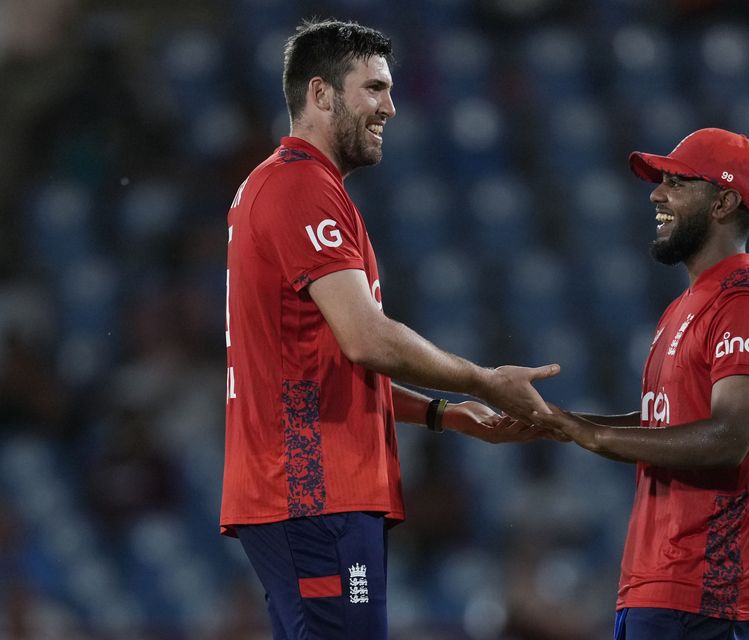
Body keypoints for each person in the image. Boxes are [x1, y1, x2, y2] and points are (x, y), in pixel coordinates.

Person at [221, 18, 559, 640]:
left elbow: (316, 361)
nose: (391, 107)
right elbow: (367, 340)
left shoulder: (290, 186)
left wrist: (443, 414)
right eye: (373, 89)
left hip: (311, 493)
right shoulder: (300, 188)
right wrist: (484, 382)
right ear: (320, 94)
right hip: (314, 492)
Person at [532, 128, 749, 640]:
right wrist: (557, 424)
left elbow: (727, 439)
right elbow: (667, 423)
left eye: (677, 182)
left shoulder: (745, 307)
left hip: (705, 588)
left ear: (724, 202)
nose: (656, 194)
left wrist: (589, 434)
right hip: (659, 582)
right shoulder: (685, 306)